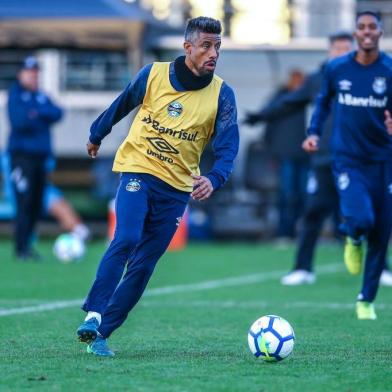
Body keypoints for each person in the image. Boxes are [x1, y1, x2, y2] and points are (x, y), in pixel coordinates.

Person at [76, 16, 239, 357]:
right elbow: (123, 103)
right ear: (188, 47)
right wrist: (96, 134)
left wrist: (214, 177)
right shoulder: (152, 74)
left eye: (218, 47)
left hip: (177, 189)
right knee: (127, 237)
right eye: (206, 46)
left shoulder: (222, 95)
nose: (213, 53)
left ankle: (101, 334)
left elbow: (228, 146)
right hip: (139, 169)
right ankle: (93, 313)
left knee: (145, 264)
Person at [303, 11, 392, 320]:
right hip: (348, 159)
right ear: (356, 33)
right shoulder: (337, 68)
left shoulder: (389, 69)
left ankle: (365, 300)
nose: (366, 32)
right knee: (361, 217)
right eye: (361, 27)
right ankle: (353, 236)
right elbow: (323, 101)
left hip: (383, 161)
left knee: (382, 232)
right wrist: (314, 132)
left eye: (372, 27)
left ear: (380, 32)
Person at [7, 56, 63, 260]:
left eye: (36, 73)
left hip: (40, 159)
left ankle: (27, 246)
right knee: (25, 201)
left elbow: (57, 113)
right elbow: (20, 121)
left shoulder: (40, 97)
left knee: (37, 203)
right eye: (30, 73)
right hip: (22, 159)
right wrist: (40, 115)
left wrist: (36, 113)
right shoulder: (16, 95)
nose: (33, 77)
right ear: (21, 74)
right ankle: (20, 247)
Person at [245, 70, 308, 239]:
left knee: (303, 195)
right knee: (287, 195)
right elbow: (269, 123)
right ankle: (284, 232)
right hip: (285, 155)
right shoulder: (281, 98)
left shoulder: (310, 100)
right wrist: (271, 152)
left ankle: (299, 231)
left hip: (306, 156)